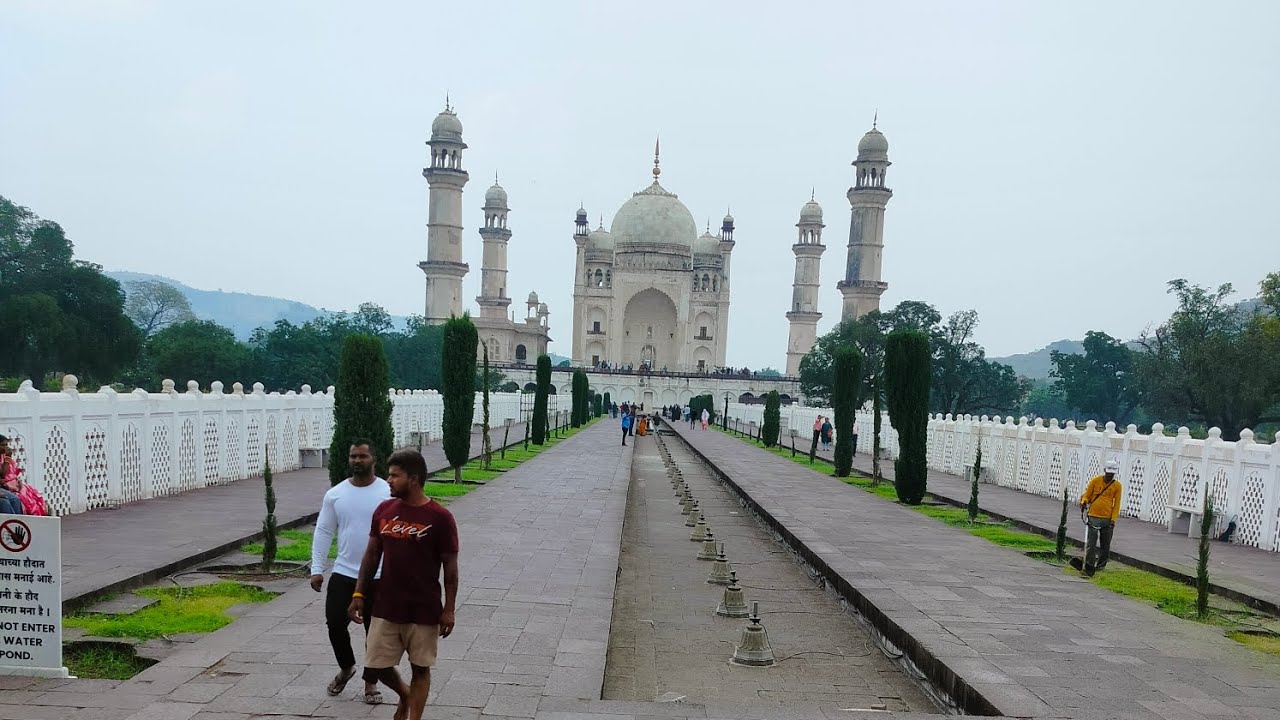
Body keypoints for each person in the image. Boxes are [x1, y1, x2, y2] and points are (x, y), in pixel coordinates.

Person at [349, 448, 459, 720]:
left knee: (421, 668)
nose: (388, 480)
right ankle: (406, 694)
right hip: (386, 605)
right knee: (376, 664)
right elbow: (372, 553)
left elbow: (451, 567)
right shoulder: (385, 510)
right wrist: (359, 592)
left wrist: (449, 609)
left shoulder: (440, 517)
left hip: (424, 608)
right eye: (389, 474)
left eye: (395, 475)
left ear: (414, 478)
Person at [311, 441, 391, 705]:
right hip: (344, 573)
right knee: (335, 624)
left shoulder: (387, 492)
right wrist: (317, 569)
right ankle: (347, 667)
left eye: (362, 456)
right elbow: (324, 531)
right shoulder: (336, 494)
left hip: (379, 575)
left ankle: (371, 683)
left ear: (374, 459)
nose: (357, 460)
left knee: (375, 632)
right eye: (353, 456)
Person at [1079, 458, 1123, 577]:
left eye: (1112, 474)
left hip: (1107, 518)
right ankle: (1089, 564)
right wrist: (1084, 501)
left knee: (1105, 544)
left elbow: (1117, 504)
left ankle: (1101, 566)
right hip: (1093, 515)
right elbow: (1087, 496)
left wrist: (1113, 519)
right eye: (1108, 473)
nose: (1109, 475)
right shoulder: (1095, 481)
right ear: (1104, 471)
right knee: (1091, 543)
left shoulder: (1117, 486)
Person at [0, 435, 24, 515]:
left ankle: (19, 523)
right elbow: (3, 474)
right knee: (5, 502)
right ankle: (12, 525)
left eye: (6, 445)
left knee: (15, 499)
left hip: (6, 484)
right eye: (2, 445)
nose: (5, 447)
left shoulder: (2, 456)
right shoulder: (5, 457)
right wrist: (7, 458)